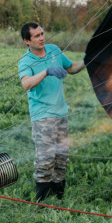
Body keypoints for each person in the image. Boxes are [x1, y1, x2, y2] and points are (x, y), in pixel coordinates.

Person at [18, 22, 85, 202]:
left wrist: (87, 60)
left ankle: (59, 196)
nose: (42, 38)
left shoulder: (54, 50)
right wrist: (46, 71)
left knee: (62, 157)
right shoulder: (25, 62)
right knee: (46, 159)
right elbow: (26, 83)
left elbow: (71, 68)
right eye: (36, 36)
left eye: (42, 34)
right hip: (43, 116)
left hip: (61, 114)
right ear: (27, 41)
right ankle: (42, 200)